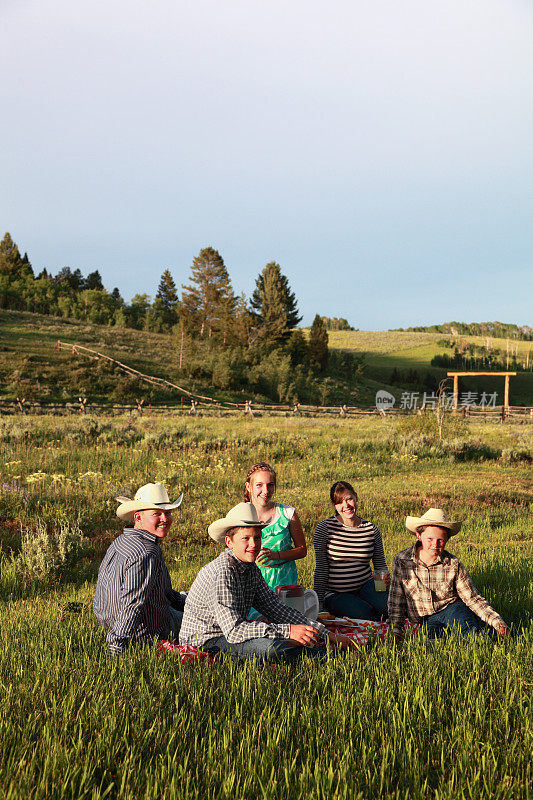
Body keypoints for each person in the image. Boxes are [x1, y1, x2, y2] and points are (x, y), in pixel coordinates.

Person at [179, 502, 359, 662]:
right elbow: (234, 631)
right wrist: (288, 631)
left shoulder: (250, 569)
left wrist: (328, 634)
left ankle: (325, 649)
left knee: (276, 640)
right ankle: (330, 658)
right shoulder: (222, 573)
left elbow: (277, 609)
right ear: (229, 542)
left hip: (228, 634)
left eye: (257, 538)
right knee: (270, 649)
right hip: (204, 641)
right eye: (245, 538)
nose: (253, 544)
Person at [388, 508, 510, 643]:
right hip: (426, 618)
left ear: (447, 539)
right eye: (430, 539)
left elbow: (473, 598)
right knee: (425, 641)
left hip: (453, 609)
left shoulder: (453, 564)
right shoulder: (402, 560)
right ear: (419, 536)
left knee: (470, 637)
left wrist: (498, 623)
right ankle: (461, 636)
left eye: (440, 540)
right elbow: (396, 601)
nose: (435, 544)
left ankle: (508, 636)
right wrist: (396, 631)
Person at [93, 482, 186, 656]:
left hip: (108, 622)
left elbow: (162, 592)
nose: (165, 519)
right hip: (146, 631)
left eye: (167, 513)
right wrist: (116, 646)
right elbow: (133, 603)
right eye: (156, 514)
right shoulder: (147, 552)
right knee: (210, 618)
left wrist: (185, 603)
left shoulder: (120, 541)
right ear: (138, 517)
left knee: (187, 598)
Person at [313, 481, 389, 620]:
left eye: (349, 499)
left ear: (356, 497)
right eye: (339, 502)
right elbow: (321, 569)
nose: (346, 506)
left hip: (365, 585)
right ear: (334, 505)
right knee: (364, 614)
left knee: (387, 607)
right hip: (336, 592)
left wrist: (381, 591)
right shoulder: (325, 528)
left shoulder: (370, 529)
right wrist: (319, 603)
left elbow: (380, 565)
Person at [243, 462, 306, 598]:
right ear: (249, 486)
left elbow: (302, 550)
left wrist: (276, 555)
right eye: (259, 485)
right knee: (255, 619)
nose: (265, 491)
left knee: (284, 618)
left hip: (284, 581)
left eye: (270, 485)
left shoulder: (288, 513)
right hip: (252, 582)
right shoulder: (240, 515)